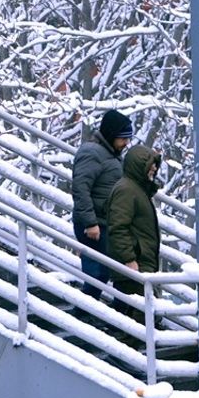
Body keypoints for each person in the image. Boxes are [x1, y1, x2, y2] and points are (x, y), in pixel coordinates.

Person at [71, 110, 133, 300]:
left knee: (104, 272)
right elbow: (80, 188)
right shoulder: (93, 153)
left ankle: (86, 313)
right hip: (94, 224)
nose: (126, 143)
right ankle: (83, 315)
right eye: (123, 138)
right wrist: (90, 223)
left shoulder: (110, 154)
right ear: (111, 135)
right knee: (97, 273)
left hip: (105, 222)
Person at [107, 145, 162, 322]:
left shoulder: (136, 190)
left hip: (142, 262)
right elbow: (118, 227)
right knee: (138, 316)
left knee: (140, 314)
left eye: (155, 164)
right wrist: (129, 259)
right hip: (135, 263)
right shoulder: (127, 190)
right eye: (150, 164)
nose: (154, 168)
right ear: (139, 165)